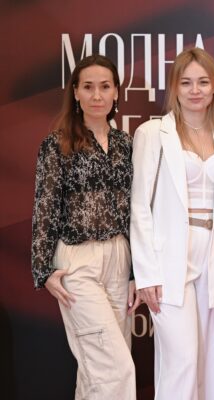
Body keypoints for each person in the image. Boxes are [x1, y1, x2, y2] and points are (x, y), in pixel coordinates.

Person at [130, 48, 214, 400]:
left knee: (209, 359)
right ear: (174, 88)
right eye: (186, 82)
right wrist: (146, 273)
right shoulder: (152, 133)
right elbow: (140, 205)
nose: (195, 90)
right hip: (169, 259)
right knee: (183, 362)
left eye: (203, 82)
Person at [31, 54, 138, 399]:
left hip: (119, 258)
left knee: (96, 373)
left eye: (105, 87)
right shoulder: (56, 144)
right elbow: (45, 208)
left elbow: (133, 211)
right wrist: (43, 270)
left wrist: (135, 273)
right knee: (114, 370)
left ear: (116, 92)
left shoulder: (125, 144)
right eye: (88, 87)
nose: (96, 95)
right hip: (77, 262)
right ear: (75, 92)